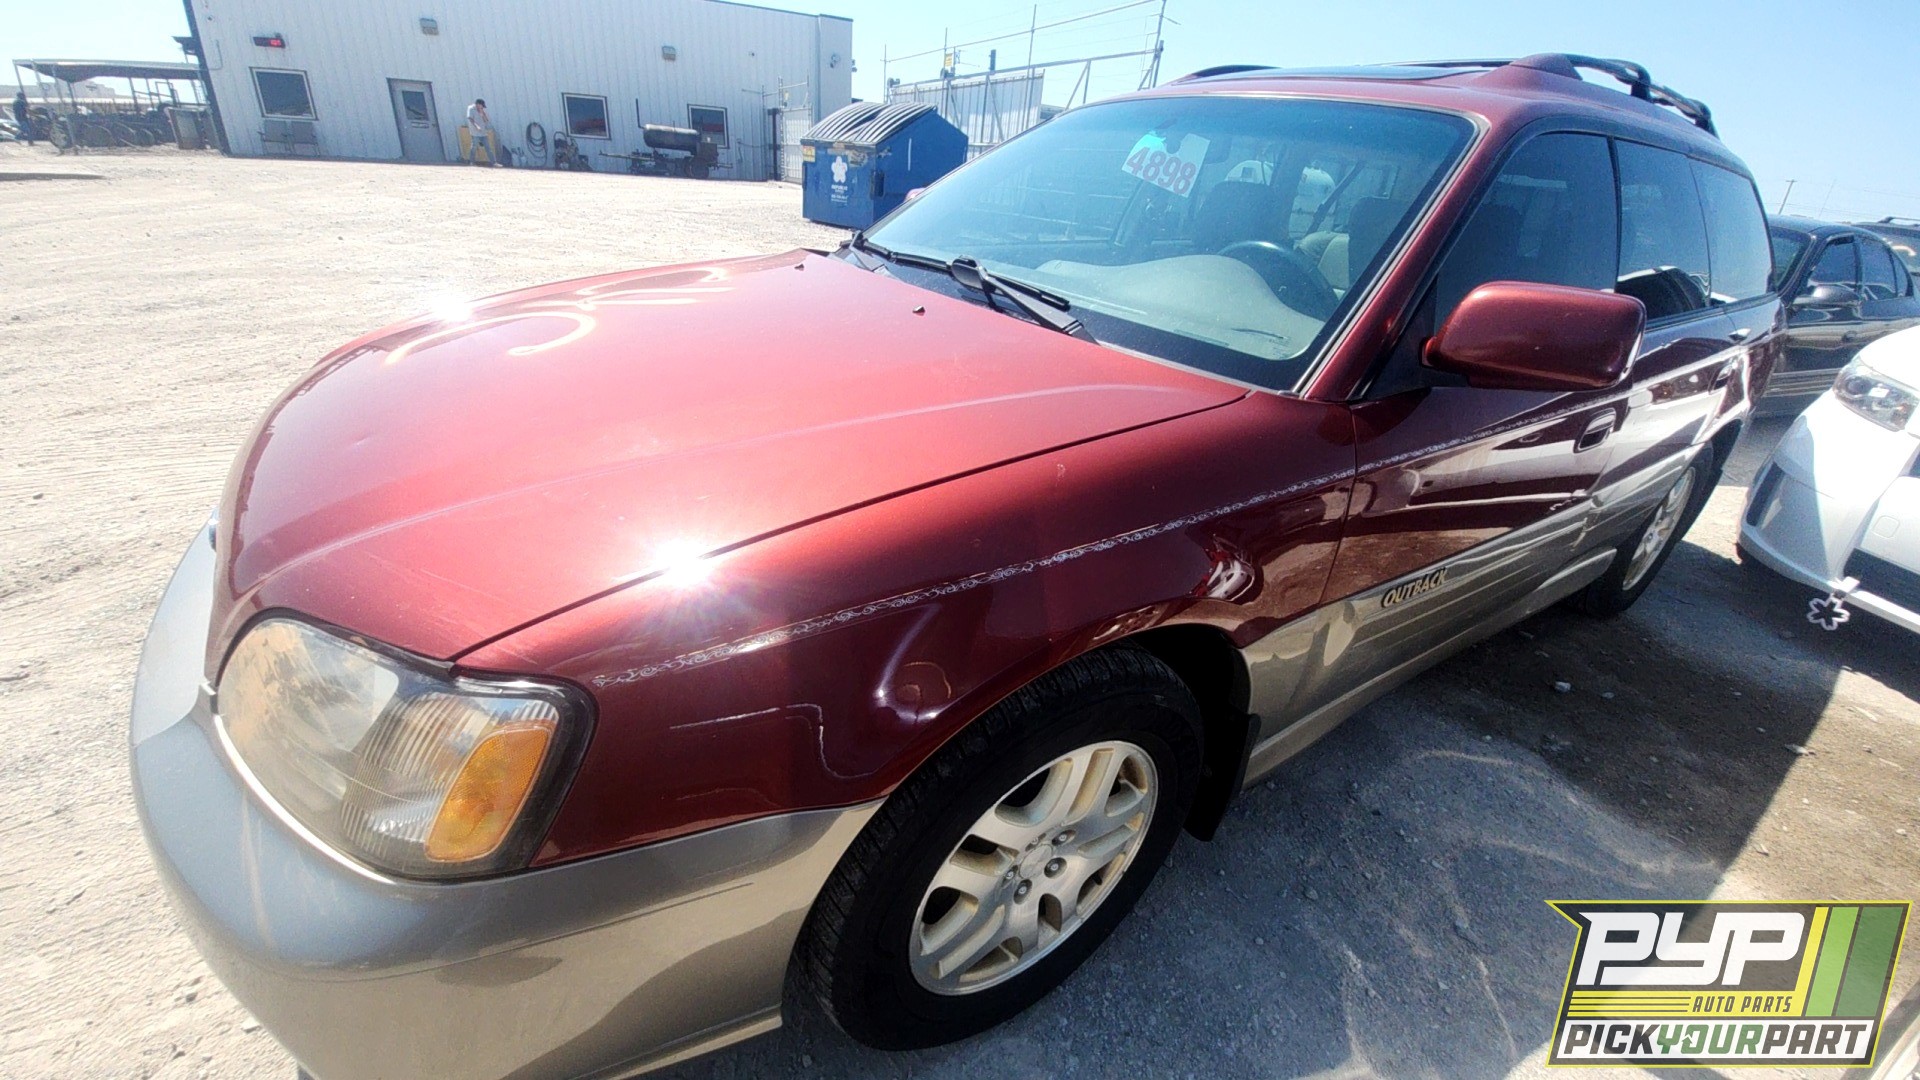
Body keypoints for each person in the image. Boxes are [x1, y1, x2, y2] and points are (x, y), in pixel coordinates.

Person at [464, 98, 494, 165]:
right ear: (477, 104)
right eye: (481, 106)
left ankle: (494, 162)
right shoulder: (471, 108)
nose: (482, 107)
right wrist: (476, 126)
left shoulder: (482, 110)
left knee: (488, 147)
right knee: (474, 147)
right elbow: (470, 118)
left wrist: (483, 113)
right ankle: (472, 162)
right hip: (475, 132)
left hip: (483, 132)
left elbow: (486, 121)